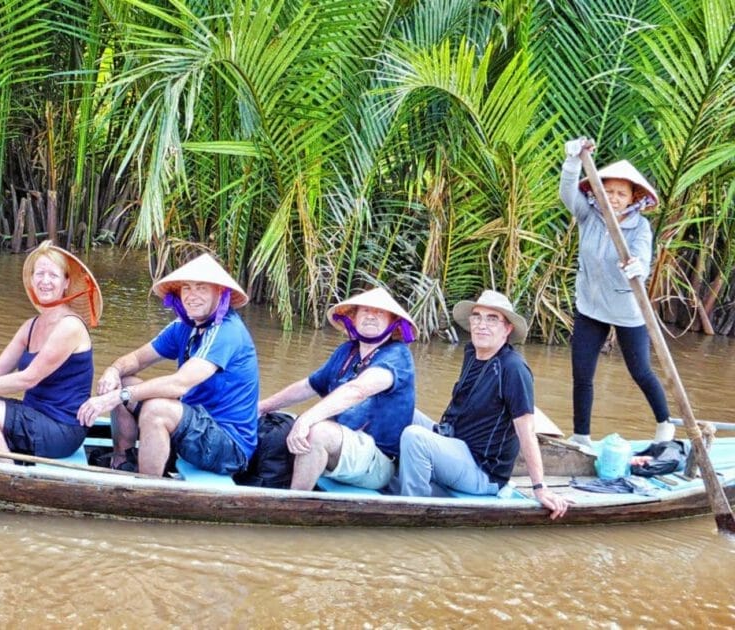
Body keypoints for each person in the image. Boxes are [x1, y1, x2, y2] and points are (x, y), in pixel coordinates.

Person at [77, 253, 259, 477]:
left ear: (219, 293)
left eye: (201, 288)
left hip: (229, 447)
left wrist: (120, 396)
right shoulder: (184, 326)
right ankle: (122, 461)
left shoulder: (227, 331)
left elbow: (179, 385)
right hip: (196, 424)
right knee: (121, 381)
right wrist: (113, 371)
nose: (192, 296)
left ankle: (146, 488)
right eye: (187, 289)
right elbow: (135, 360)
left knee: (155, 410)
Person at [397, 290, 569, 520]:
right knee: (401, 409)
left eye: (492, 319)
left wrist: (539, 487)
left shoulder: (513, 369)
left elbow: (526, 430)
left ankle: (411, 512)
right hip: (456, 443)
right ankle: (388, 474)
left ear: (507, 329)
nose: (481, 325)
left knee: (414, 437)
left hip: (482, 471)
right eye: (477, 316)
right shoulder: (472, 353)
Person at [0, 241, 102, 463]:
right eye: (40, 274)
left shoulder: (70, 326)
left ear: (66, 283)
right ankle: (1, 452)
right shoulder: (31, 326)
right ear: (33, 280)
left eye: (53, 275)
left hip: (61, 428)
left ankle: (8, 473)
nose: (45, 281)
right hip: (33, 414)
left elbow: (29, 378)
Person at [560, 138, 673, 447]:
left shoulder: (641, 227)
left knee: (641, 371)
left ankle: (665, 423)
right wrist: (572, 162)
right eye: (607, 191)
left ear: (633, 197)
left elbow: (641, 258)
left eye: (621, 193)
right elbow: (567, 193)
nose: (613, 198)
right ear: (597, 190)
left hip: (626, 310)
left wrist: (637, 267)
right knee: (582, 374)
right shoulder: (588, 216)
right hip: (591, 307)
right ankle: (581, 435)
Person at [257, 287, 417, 491]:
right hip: (343, 447)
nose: (371, 316)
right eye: (365, 311)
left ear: (392, 323)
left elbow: (358, 390)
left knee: (317, 432)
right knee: (281, 420)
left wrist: (307, 419)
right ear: (354, 317)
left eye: (379, 313)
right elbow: (309, 386)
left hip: (377, 461)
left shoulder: (398, 356)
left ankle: (294, 504)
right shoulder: (346, 352)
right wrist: (263, 407)